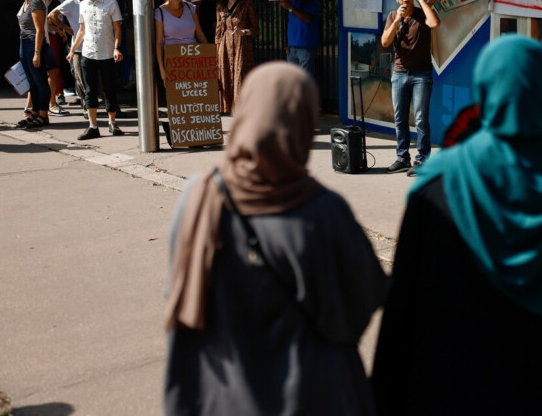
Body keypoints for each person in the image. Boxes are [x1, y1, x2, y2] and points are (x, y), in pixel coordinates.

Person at [370, 35, 542, 415]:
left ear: (485, 90)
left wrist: (385, 397)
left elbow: (404, 299)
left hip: (451, 385)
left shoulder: (438, 183)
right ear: (541, 89)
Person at [164, 62, 387, 415]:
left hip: (223, 394)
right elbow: (361, 299)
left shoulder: (199, 196)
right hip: (313, 393)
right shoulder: (324, 211)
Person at [381, 0, 439, 175]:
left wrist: (422, 0)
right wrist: (398, 20)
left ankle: (422, 160)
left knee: (421, 119)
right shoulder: (392, 16)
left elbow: (434, 23)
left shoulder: (423, 14)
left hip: (421, 74)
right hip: (399, 74)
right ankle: (402, 158)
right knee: (400, 119)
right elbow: (385, 42)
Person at [66, 0, 124, 139]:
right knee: (90, 91)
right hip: (88, 52)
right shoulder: (83, 4)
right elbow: (82, 30)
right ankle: (93, 126)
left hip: (107, 53)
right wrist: (72, 50)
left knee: (109, 88)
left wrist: (116, 48)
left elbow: (117, 28)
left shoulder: (111, 3)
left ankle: (112, 122)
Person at [155, 0, 208, 144]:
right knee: (177, 99)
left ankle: (194, 136)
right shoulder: (159, 12)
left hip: (193, 58)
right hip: (173, 61)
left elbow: (199, 34)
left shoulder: (191, 8)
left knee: (195, 98)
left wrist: (210, 56)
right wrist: (161, 68)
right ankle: (177, 132)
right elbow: (159, 42)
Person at [215, 0, 258, 114]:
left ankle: (243, 113)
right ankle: (232, 113)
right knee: (227, 79)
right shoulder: (221, 6)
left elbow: (256, 29)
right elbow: (218, 32)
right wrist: (217, 52)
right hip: (225, 47)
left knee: (241, 78)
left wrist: (243, 32)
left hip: (242, 46)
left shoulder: (246, 4)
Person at [48, 0, 88, 119]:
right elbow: (51, 17)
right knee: (79, 76)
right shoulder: (71, 2)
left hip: (96, 45)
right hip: (78, 46)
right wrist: (66, 29)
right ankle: (87, 107)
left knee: (94, 77)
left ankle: (104, 107)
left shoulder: (94, 1)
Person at [16, 0, 52, 128]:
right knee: (31, 82)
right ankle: (35, 112)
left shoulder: (36, 2)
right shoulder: (25, 3)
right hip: (24, 42)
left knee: (40, 80)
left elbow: (39, 30)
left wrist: (37, 53)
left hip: (34, 44)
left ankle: (43, 115)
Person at [277, 0, 318, 75]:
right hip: (292, 45)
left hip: (305, 44)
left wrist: (290, 8)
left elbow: (307, 18)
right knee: (293, 78)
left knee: (304, 78)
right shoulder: (293, 0)